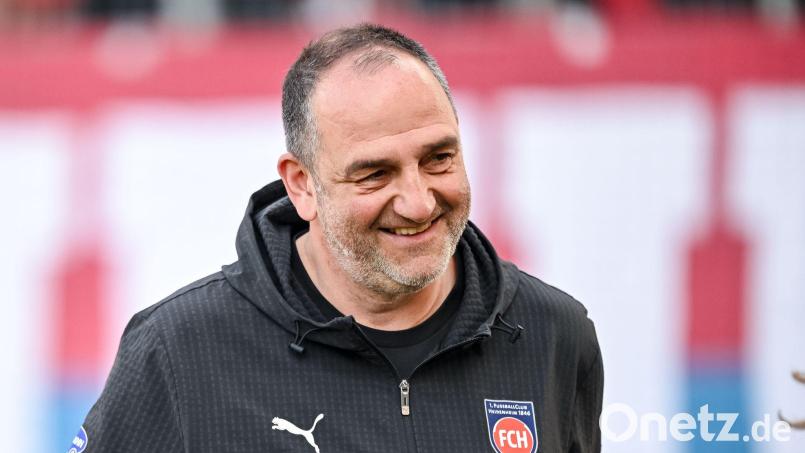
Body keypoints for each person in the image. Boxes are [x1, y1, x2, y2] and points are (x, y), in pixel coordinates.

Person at [73, 23, 603, 452]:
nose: (418, 202)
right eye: (375, 174)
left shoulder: (554, 334)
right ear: (301, 184)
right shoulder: (178, 351)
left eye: (439, 158)